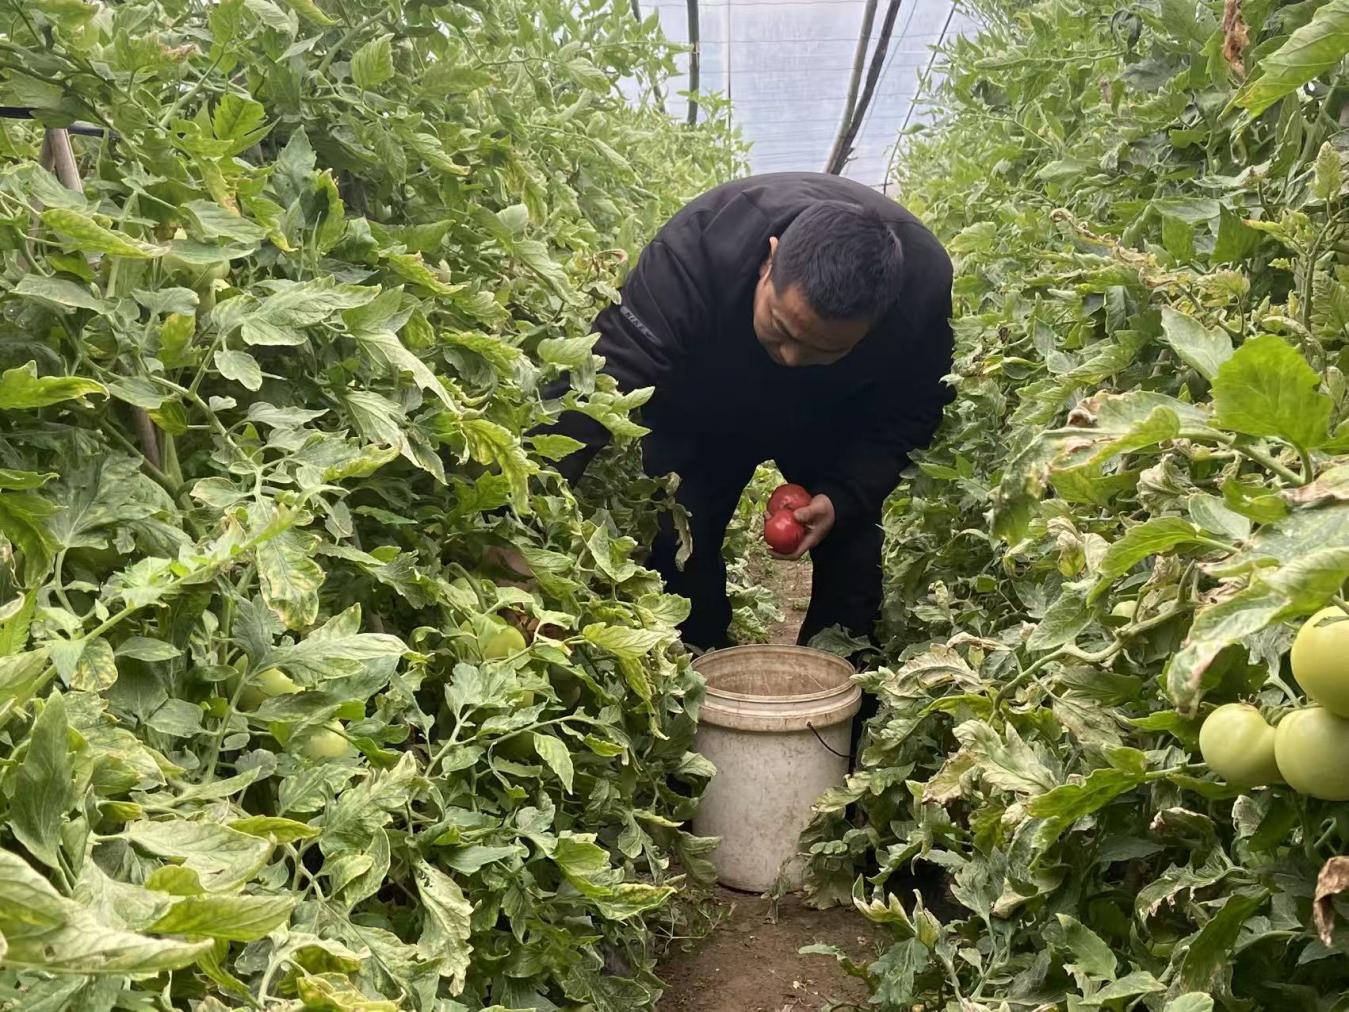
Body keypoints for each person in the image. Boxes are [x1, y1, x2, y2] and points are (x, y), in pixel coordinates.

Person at [543, 171, 954, 655]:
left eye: (820, 349)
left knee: (852, 555)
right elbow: (602, 379)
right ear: (770, 258)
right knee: (678, 535)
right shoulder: (698, 249)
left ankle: (837, 697)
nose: (791, 357)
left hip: (838, 415)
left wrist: (845, 494)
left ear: (877, 324)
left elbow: (910, 412)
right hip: (707, 400)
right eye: (781, 328)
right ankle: (696, 671)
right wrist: (528, 509)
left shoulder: (921, 292)